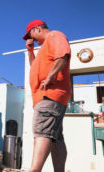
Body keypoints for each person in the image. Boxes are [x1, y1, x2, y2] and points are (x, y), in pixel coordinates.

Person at [23, 20, 71, 172]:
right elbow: (35, 66)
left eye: (30, 35)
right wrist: (30, 51)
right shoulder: (44, 48)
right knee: (55, 138)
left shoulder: (54, 35)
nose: (32, 40)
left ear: (37, 29)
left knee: (42, 132)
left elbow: (63, 55)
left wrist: (50, 77)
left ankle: (34, 170)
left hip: (49, 95)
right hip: (50, 97)